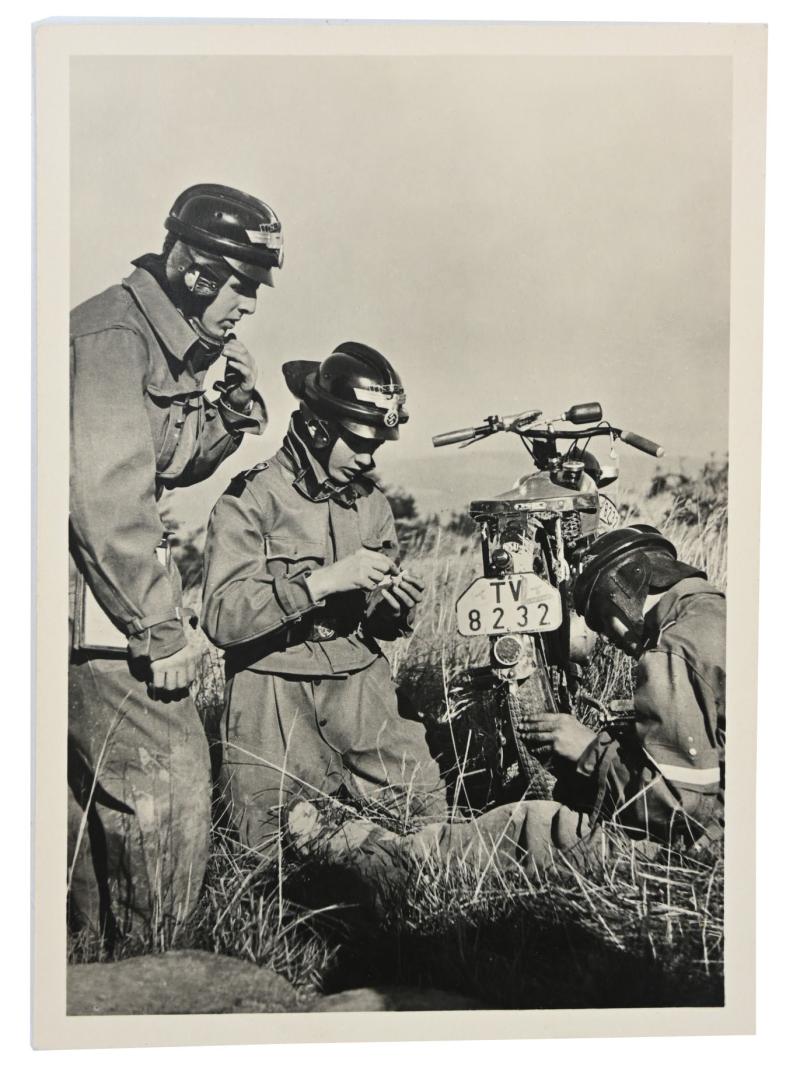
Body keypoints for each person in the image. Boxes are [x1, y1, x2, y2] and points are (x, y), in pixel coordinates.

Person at [285, 524, 725, 905]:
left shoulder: (674, 649)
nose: (620, 641)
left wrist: (590, 750)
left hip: (706, 848)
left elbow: (683, 808)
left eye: (605, 620)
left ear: (627, 586)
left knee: (532, 826)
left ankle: (380, 858)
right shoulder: (720, 610)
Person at [69, 182, 282, 942]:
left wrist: (228, 412)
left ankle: (97, 983)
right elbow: (107, 504)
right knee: (170, 783)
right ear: (195, 269)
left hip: (93, 610)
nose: (248, 305)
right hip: (89, 619)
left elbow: (169, 462)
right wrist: (161, 631)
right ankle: (154, 986)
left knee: (91, 818)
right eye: (244, 285)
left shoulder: (150, 335)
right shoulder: (111, 339)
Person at [201, 342, 447, 853]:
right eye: (359, 442)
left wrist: (392, 607)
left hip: (359, 682)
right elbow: (221, 618)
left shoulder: (371, 501)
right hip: (273, 686)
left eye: (377, 445)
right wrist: (323, 583)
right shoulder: (252, 498)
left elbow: (375, 622)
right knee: (267, 852)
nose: (368, 458)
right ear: (317, 428)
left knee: (426, 816)